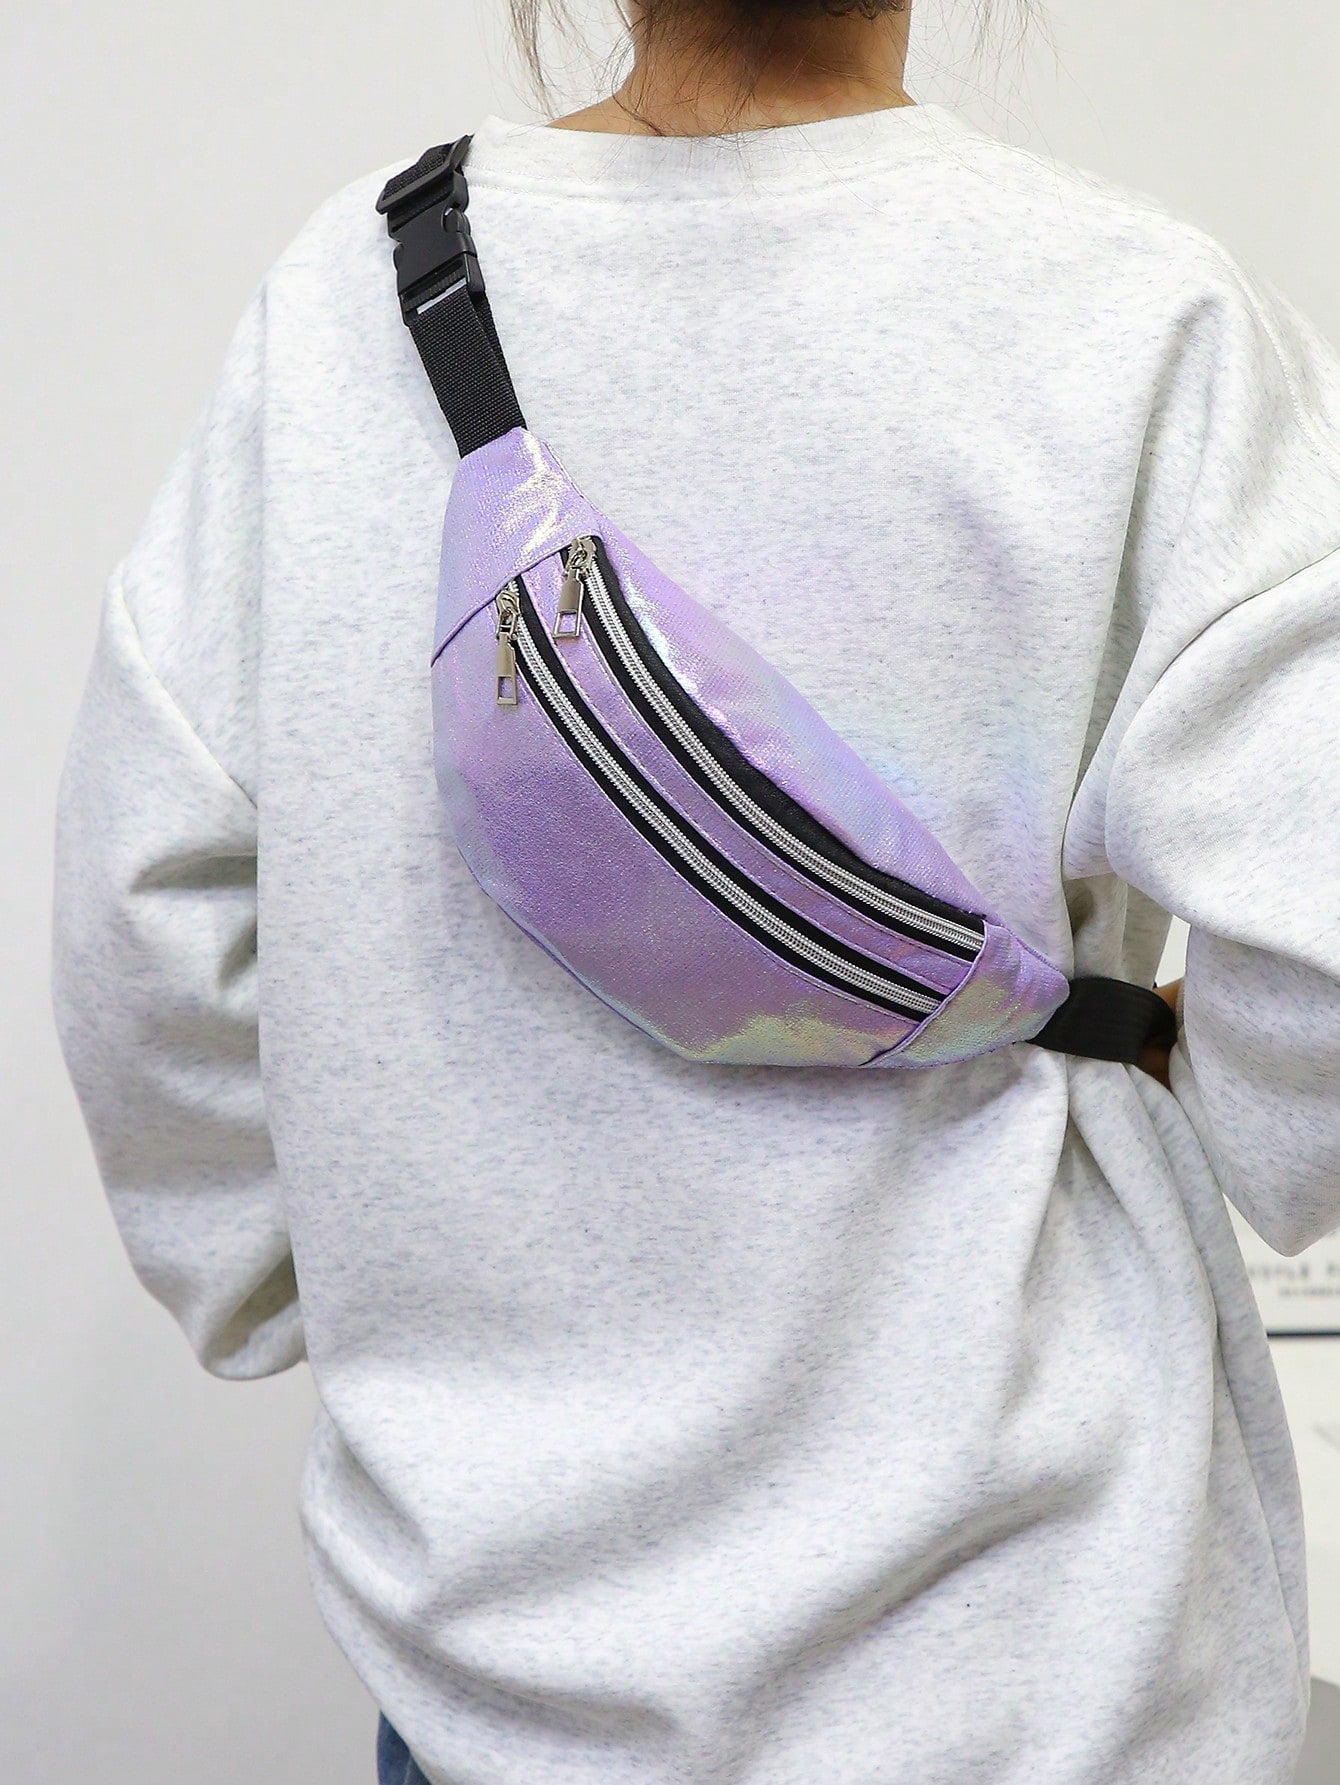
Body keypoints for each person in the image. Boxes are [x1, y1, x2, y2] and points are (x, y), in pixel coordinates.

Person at [49, 0, 1340, 1777]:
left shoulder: (339, 310)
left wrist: (306, 1282)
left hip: (504, 1681)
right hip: (1040, 1669)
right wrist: (1225, 1097)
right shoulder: (1143, 320)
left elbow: (143, 912)